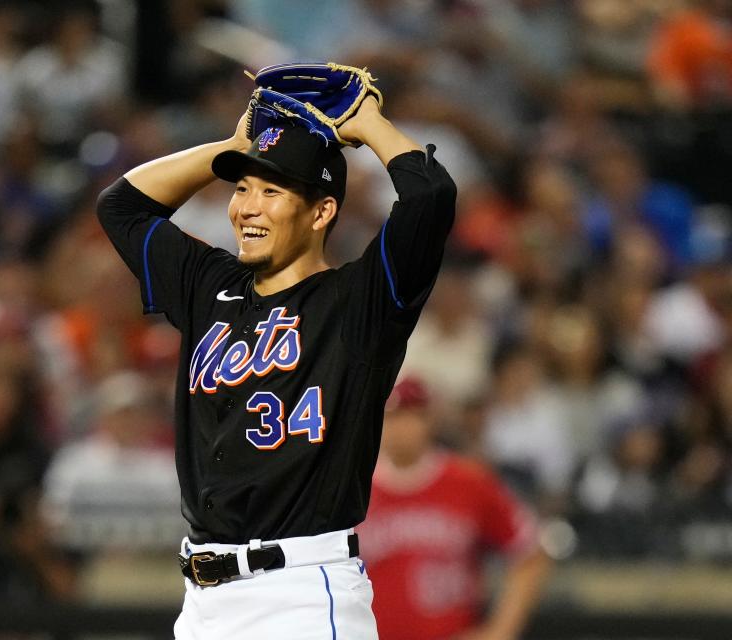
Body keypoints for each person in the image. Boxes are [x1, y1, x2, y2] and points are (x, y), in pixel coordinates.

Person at [98, 90, 456, 639]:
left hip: (303, 593)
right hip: (203, 601)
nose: (247, 207)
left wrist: (369, 125)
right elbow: (121, 205)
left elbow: (430, 195)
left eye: (271, 190)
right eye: (241, 187)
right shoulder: (208, 284)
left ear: (322, 211)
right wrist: (231, 145)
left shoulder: (360, 302)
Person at [359, 378, 552, 640]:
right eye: (394, 417)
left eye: (413, 416)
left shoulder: (468, 481)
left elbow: (531, 552)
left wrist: (500, 630)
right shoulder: (354, 488)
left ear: (430, 420)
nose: (403, 427)